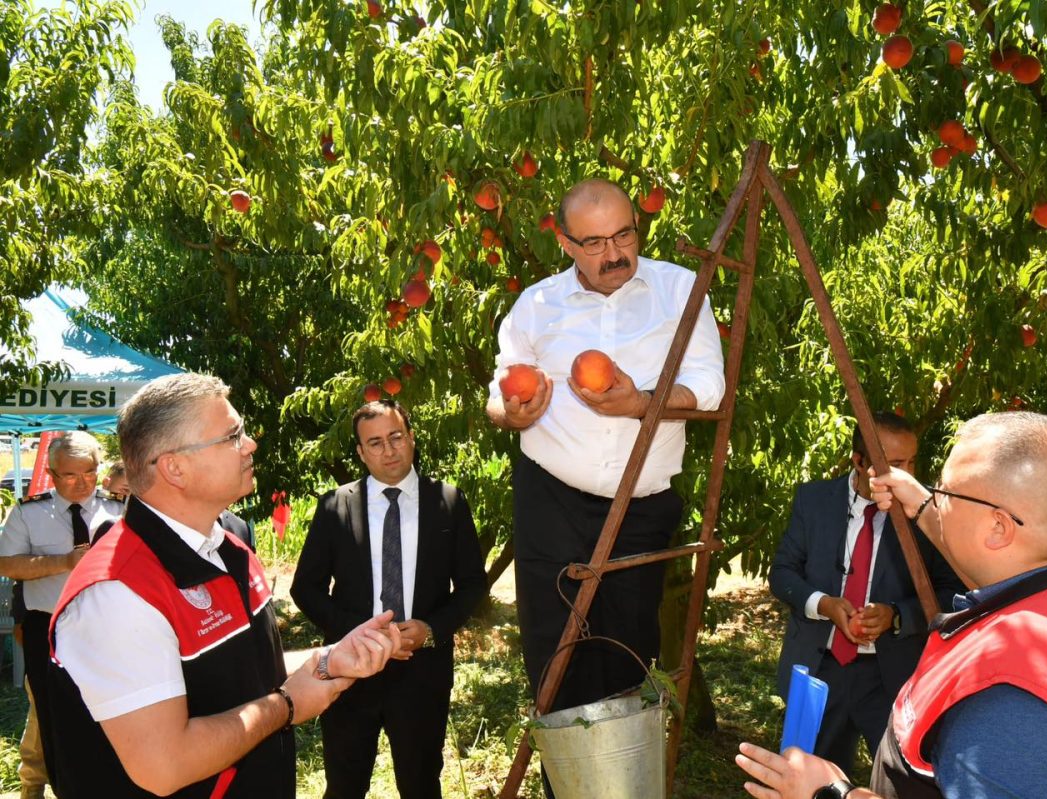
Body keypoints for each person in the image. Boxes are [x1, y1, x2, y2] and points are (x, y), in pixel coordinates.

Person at [738, 412, 1047, 799]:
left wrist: (831, 793)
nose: (934, 501)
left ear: (998, 527)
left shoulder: (1017, 698)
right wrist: (925, 506)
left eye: (944, 493)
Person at [46, 373, 404, 798]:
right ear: (174, 467)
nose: (250, 444)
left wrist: (330, 657)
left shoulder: (228, 549)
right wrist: (287, 706)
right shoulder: (116, 593)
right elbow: (165, 765)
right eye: (232, 435)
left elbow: (237, 670)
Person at [486, 177, 725, 718]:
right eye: (594, 243)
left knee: (627, 664)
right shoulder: (536, 304)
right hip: (551, 502)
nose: (614, 254)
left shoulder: (681, 290)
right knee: (555, 662)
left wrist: (643, 403)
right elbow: (497, 398)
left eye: (624, 236)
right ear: (566, 244)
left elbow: (710, 386)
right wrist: (511, 412)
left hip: (640, 509)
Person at [292, 399, 487, 799]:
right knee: (344, 786)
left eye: (396, 437)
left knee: (421, 784)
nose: (389, 450)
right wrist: (362, 636)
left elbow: (471, 585)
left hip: (422, 671)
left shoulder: (447, 502)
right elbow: (305, 588)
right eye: (375, 443)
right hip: (351, 671)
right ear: (362, 453)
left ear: (412, 438)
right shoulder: (336, 506)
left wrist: (432, 629)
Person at [769, 412, 961, 775]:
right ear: (860, 461)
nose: (906, 476)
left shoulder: (926, 517)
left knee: (900, 780)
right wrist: (822, 604)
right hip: (821, 668)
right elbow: (782, 573)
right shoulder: (814, 501)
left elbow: (951, 593)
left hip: (890, 674)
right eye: (895, 465)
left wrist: (897, 614)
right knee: (807, 777)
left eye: (911, 463)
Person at [0, 431, 125, 790]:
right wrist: (64, 561)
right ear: (53, 475)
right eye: (70, 475)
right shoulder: (29, 513)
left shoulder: (117, 509)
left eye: (89, 472)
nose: (81, 482)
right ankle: (62, 786)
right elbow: (8, 565)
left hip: (107, 627)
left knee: (108, 708)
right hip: (50, 627)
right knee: (52, 714)